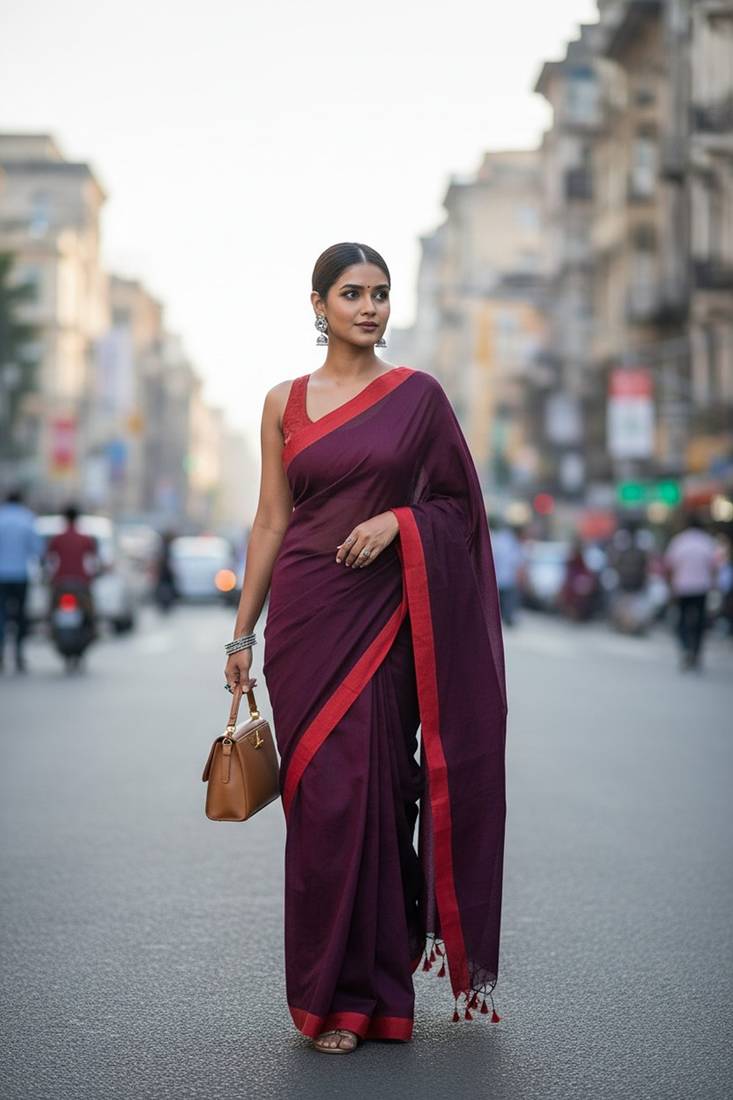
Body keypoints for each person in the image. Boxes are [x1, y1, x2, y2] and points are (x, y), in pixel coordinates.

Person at [223, 243, 508, 1054]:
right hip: (307, 619)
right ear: (318, 304)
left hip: (385, 617)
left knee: (380, 795)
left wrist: (399, 523)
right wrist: (242, 631)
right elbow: (271, 520)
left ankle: (381, 993)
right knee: (322, 804)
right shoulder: (283, 401)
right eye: (351, 293)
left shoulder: (418, 398)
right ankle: (328, 996)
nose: (369, 307)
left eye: (381, 294)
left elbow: (459, 505)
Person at [663, 512, 720, 670]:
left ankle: (686, 647)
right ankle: (696, 651)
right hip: (702, 588)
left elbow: (669, 566)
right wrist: (714, 585)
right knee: (700, 622)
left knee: (681, 621)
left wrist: (670, 586)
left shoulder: (680, 541)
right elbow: (714, 567)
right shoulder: (707, 542)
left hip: (682, 588)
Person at [0, 489, 42, 672]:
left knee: (1, 616)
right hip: (20, 575)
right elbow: (37, 549)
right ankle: (18, 655)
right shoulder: (27, 519)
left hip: (1, 576)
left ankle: (1, 655)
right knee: (20, 616)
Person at [44, 505, 100, 628]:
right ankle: (93, 627)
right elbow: (93, 561)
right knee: (90, 611)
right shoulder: (85, 539)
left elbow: (48, 559)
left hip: (60, 580)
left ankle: (49, 627)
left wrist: (49, 576)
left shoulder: (57, 538)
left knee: (51, 609)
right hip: (81, 580)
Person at [491, 518, 525, 626]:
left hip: (497, 579)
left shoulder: (497, 540)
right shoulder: (513, 543)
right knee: (506, 607)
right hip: (507, 580)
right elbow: (517, 563)